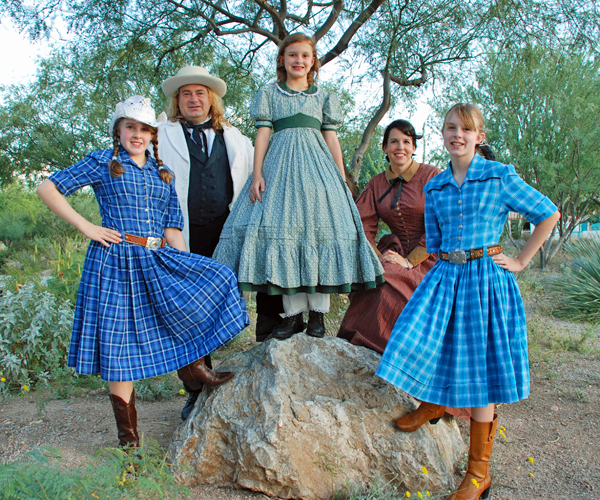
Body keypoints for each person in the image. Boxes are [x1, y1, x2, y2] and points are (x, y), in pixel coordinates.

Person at [37, 96, 249, 448]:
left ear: (154, 135)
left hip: (157, 256)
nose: (137, 134)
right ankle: (129, 443)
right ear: (118, 130)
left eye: (144, 129)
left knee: (213, 280)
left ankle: (195, 368)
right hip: (115, 262)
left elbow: (172, 228)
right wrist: (88, 227)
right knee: (118, 348)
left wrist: (186, 267)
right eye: (130, 127)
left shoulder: (162, 173)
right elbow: (48, 187)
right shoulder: (104, 162)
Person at [375, 103, 560, 500]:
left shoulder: (498, 177)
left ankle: (479, 474)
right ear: (442, 135)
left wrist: (522, 260)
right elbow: (437, 244)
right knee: (423, 338)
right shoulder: (436, 186)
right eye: (449, 128)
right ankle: (434, 402)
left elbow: (548, 214)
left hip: (486, 280)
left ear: (480, 137)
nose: (457, 134)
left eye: (466, 129)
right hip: (447, 274)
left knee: (479, 373)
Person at [214, 33, 384, 339]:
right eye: (292, 55)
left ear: (313, 60)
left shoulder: (323, 97)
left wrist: (341, 177)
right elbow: (263, 136)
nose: (299, 60)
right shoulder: (270, 94)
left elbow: (331, 138)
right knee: (285, 235)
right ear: (282, 59)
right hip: (279, 173)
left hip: (318, 174)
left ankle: (318, 316)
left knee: (320, 234)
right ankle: (292, 316)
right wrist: (257, 175)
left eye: (305, 55)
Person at [158, 66, 285, 418]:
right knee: (188, 306)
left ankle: (270, 358)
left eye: (199, 93)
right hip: (183, 232)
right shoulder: (160, 134)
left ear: (211, 100)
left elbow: (265, 168)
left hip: (228, 228)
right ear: (177, 102)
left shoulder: (236, 137)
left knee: (258, 280)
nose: (193, 99)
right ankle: (196, 388)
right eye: (186, 94)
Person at [337, 120, 440, 353]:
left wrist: (409, 261)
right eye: (393, 141)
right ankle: (354, 349)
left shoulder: (432, 176)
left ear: (414, 147)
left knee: (388, 283)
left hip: (429, 256)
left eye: (406, 142)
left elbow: (441, 224)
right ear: (384, 148)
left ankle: (386, 351)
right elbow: (361, 225)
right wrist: (378, 258)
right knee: (374, 277)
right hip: (392, 254)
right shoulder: (376, 184)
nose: (400, 147)